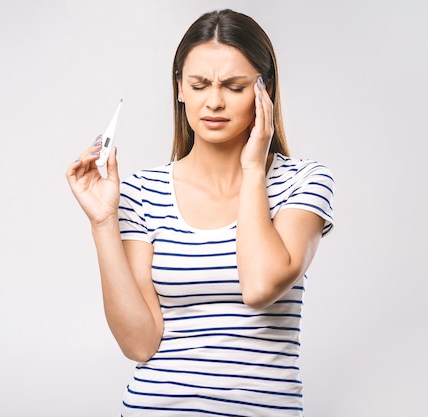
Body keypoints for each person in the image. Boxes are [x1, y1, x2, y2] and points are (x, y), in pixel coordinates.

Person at [65, 8, 334, 417]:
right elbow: (139, 344)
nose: (214, 101)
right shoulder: (143, 192)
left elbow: (259, 286)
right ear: (180, 89)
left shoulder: (303, 182)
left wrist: (252, 169)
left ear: (265, 91)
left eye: (234, 86)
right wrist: (103, 222)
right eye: (200, 84)